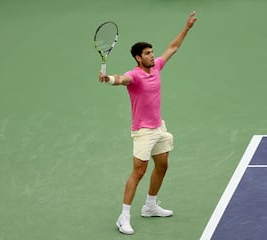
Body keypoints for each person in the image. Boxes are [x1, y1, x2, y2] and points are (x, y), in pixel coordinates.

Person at [98, 11, 197, 234]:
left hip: (159, 127)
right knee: (138, 172)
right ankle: (123, 217)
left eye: (152, 52)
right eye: (147, 54)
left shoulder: (157, 67)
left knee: (162, 165)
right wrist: (109, 79)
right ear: (137, 58)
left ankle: (150, 206)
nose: (152, 56)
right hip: (143, 132)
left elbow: (172, 48)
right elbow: (121, 80)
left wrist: (187, 28)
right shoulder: (134, 75)